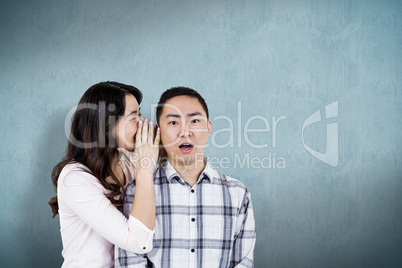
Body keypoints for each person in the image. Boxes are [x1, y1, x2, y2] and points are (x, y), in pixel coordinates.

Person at [116, 87, 256, 267]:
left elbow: (243, 262)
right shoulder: (137, 190)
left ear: (209, 127)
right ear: (159, 131)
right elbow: (130, 262)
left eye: (195, 121)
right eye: (173, 123)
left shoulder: (238, 193)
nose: (184, 131)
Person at [48, 81, 160, 267]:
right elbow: (139, 242)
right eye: (133, 117)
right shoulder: (74, 178)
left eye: (139, 114)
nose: (142, 123)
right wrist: (145, 169)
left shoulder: (127, 167)